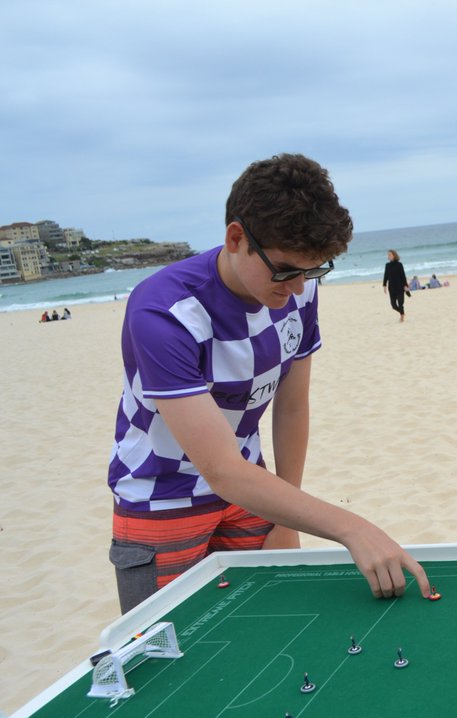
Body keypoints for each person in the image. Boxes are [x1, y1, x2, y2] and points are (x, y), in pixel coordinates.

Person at [107, 153, 430, 613]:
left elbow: (292, 406)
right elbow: (219, 470)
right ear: (236, 238)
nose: (297, 288)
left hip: (254, 492)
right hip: (161, 499)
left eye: (312, 270)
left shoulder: (299, 289)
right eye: (284, 270)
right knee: (171, 660)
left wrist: (287, 517)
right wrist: (351, 528)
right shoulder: (164, 313)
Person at [382, 249, 409, 322]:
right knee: (393, 306)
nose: (388, 256)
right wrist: (384, 286)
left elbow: (403, 275)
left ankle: (402, 316)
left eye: (390, 255)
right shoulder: (387, 265)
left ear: (394, 255)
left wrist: (406, 285)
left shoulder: (399, 265)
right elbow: (386, 276)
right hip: (392, 288)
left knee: (400, 304)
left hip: (400, 287)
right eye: (388, 255)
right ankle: (402, 313)